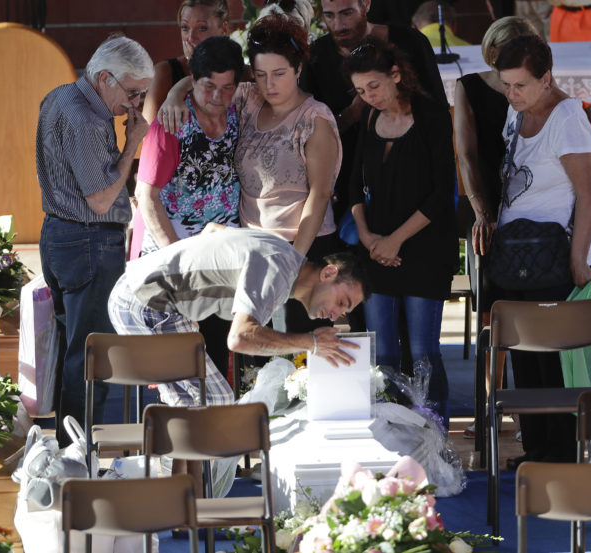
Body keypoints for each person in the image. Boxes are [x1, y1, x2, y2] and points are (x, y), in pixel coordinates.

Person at [160, 15, 343, 335]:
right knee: (254, 349)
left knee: (293, 350)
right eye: (260, 75)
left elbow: (320, 194)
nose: (269, 84)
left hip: (302, 245)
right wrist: (175, 93)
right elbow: (209, 76)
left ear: (299, 69)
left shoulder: (315, 119)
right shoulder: (248, 98)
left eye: (279, 74)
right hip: (252, 248)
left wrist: (293, 259)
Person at [36, 35, 153, 443]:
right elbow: (102, 199)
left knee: (74, 349)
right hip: (88, 240)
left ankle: (69, 446)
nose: (135, 104)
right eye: (133, 92)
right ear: (105, 78)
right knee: (91, 355)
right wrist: (132, 144)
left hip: (60, 234)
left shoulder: (59, 95)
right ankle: (78, 452)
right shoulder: (86, 119)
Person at [108, 227, 370, 406]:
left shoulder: (284, 258)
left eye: (344, 312)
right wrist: (311, 343)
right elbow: (241, 338)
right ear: (328, 273)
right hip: (145, 299)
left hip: (150, 296)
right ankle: (176, 484)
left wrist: (193, 299)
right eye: (341, 302)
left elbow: (213, 229)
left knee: (207, 403)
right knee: (211, 401)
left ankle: (185, 482)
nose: (336, 315)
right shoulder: (278, 267)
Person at [493, 34, 591, 467]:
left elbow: (589, 194)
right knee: (525, 358)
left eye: (520, 85)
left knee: (555, 364)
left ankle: (563, 454)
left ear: (547, 78)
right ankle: (536, 450)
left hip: (555, 258)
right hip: (517, 257)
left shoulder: (568, 117)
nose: (512, 94)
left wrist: (577, 260)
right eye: (506, 85)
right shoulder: (516, 112)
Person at [343, 38, 458, 427]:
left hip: (424, 248)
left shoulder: (431, 115)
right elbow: (352, 185)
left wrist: (395, 240)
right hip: (375, 249)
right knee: (383, 351)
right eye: (360, 90)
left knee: (424, 350)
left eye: (373, 86)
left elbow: (443, 192)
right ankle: (391, 432)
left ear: (396, 75)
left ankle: (434, 434)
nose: (368, 96)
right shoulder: (370, 119)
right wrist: (367, 236)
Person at [131, 35, 244, 378]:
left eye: (227, 87)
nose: (217, 97)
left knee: (219, 354)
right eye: (209, 86)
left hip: (222, 258)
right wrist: (180, 264)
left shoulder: (240, 111)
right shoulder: (172, 124)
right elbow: (147, 198)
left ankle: (223, 427)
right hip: (177, 260)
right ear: (193, 80)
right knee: (178, 367)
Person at [453, 16, 538, 438]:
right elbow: (465, 155)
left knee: (528, 313)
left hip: (530, 209)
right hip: (485, 203)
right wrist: (481, 210)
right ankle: (489, 409)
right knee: (491, 312)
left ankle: (529, 412)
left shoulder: (531, 86)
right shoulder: (469, 87)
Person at [141, 0, 231, 122]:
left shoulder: (241, 74)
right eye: (185, 27)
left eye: (202, 28)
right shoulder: (164, 73)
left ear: (224, 30)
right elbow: (146, 136)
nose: (191, 37)